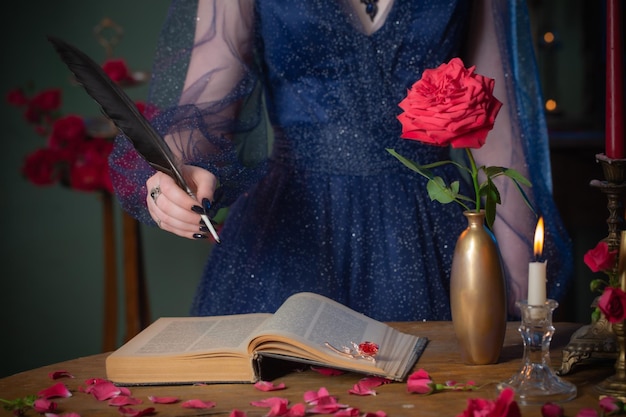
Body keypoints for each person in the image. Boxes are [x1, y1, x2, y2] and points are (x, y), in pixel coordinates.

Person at [110, 0, 573, 321]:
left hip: (432, 233)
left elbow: (495, 129)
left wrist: (523, 289)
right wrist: (175, 170)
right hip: (290, 233)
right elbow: (204, 105)